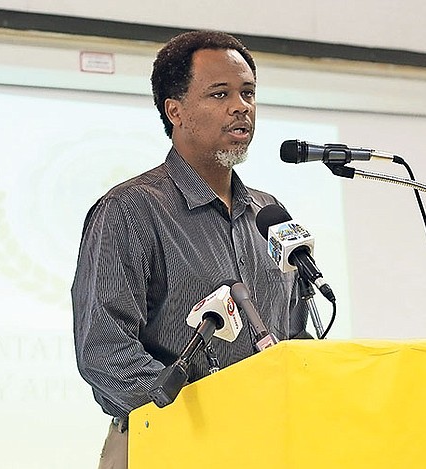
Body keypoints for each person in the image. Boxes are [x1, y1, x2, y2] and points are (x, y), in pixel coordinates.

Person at [71, 30, 309, 469]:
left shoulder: (270, 212)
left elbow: (293, 336)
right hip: (167, 443)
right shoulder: (130, 210)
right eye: (220, 94)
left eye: (248, 93)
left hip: (268, 446)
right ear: (175, 111)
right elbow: (105, 352)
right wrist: (213, 413)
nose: (242, 107)